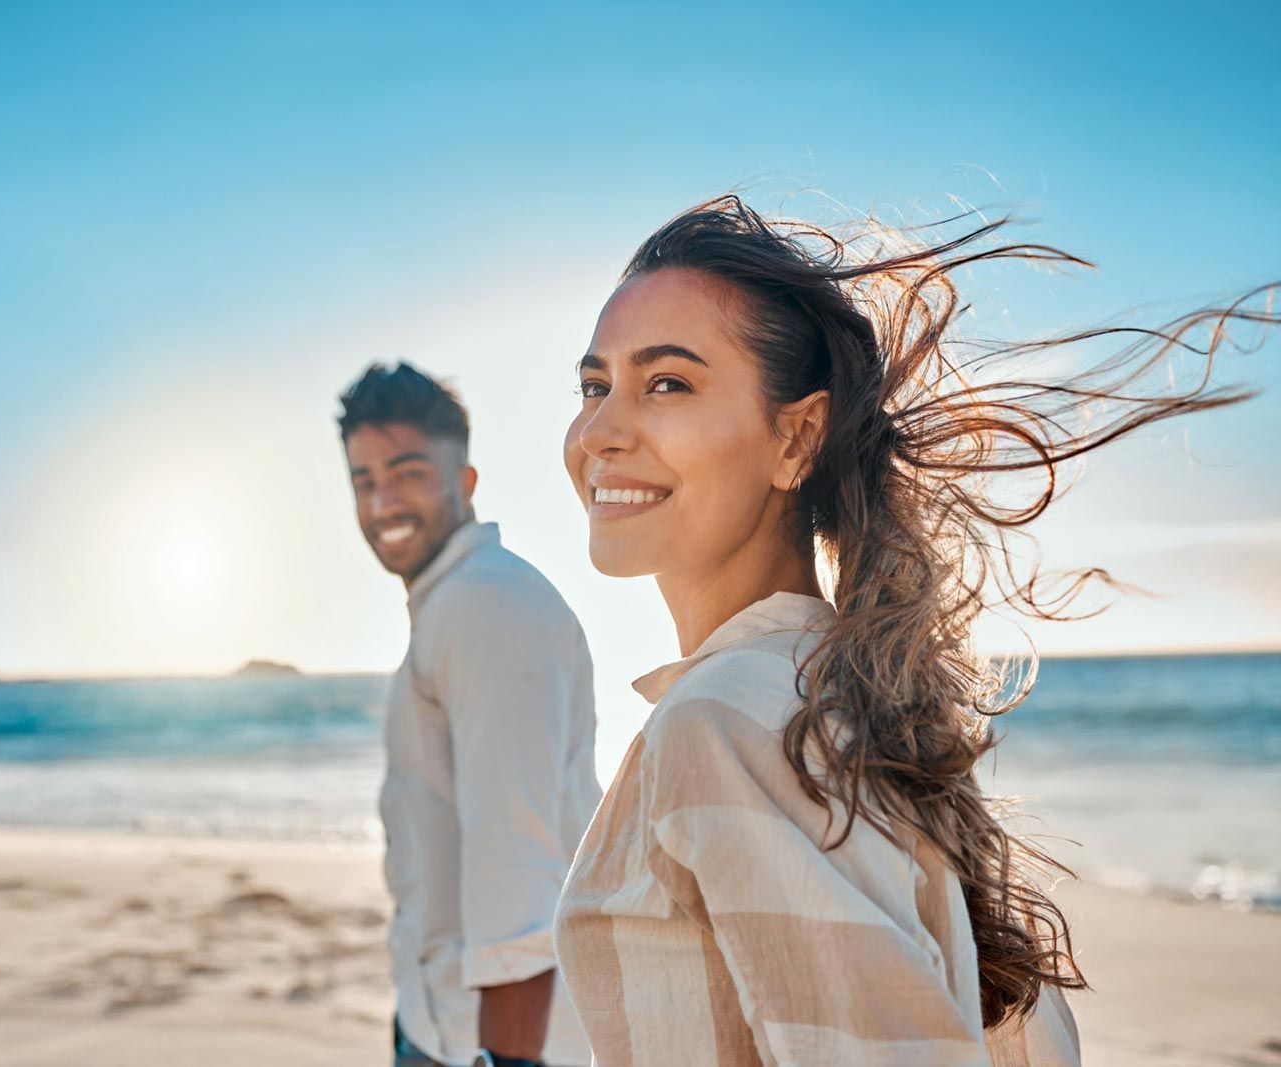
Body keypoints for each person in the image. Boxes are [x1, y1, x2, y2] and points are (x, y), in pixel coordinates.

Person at [551, 196, 1274, 1065]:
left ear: (797, 437)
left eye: (667, 382)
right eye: (596, 387)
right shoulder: (843, 690)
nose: (600, 431)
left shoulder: (728, 722)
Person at [339, 362, 600, 1067]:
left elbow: (515, 878)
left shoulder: (484, 604)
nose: (383, 501)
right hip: (440, 1022)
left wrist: (503, 1062)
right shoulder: (454, 605)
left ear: (467, 481)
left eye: (409, 472)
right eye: (364, 480)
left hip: (490, 1046)